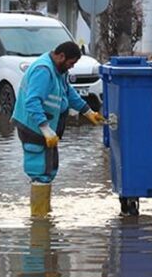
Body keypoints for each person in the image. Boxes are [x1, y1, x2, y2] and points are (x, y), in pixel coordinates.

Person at [11, 41, 105, 217]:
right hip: (33, 128)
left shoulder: (58, 71)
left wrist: (88, 111)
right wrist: (45, 129)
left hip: (45, 129)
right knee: (40, 170)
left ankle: (43, 213)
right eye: (71, 63)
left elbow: (68, 93)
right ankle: (39, 221)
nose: (72, 66)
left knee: (49, 169)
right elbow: (32, 102)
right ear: (61, 56)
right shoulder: (43, 71)